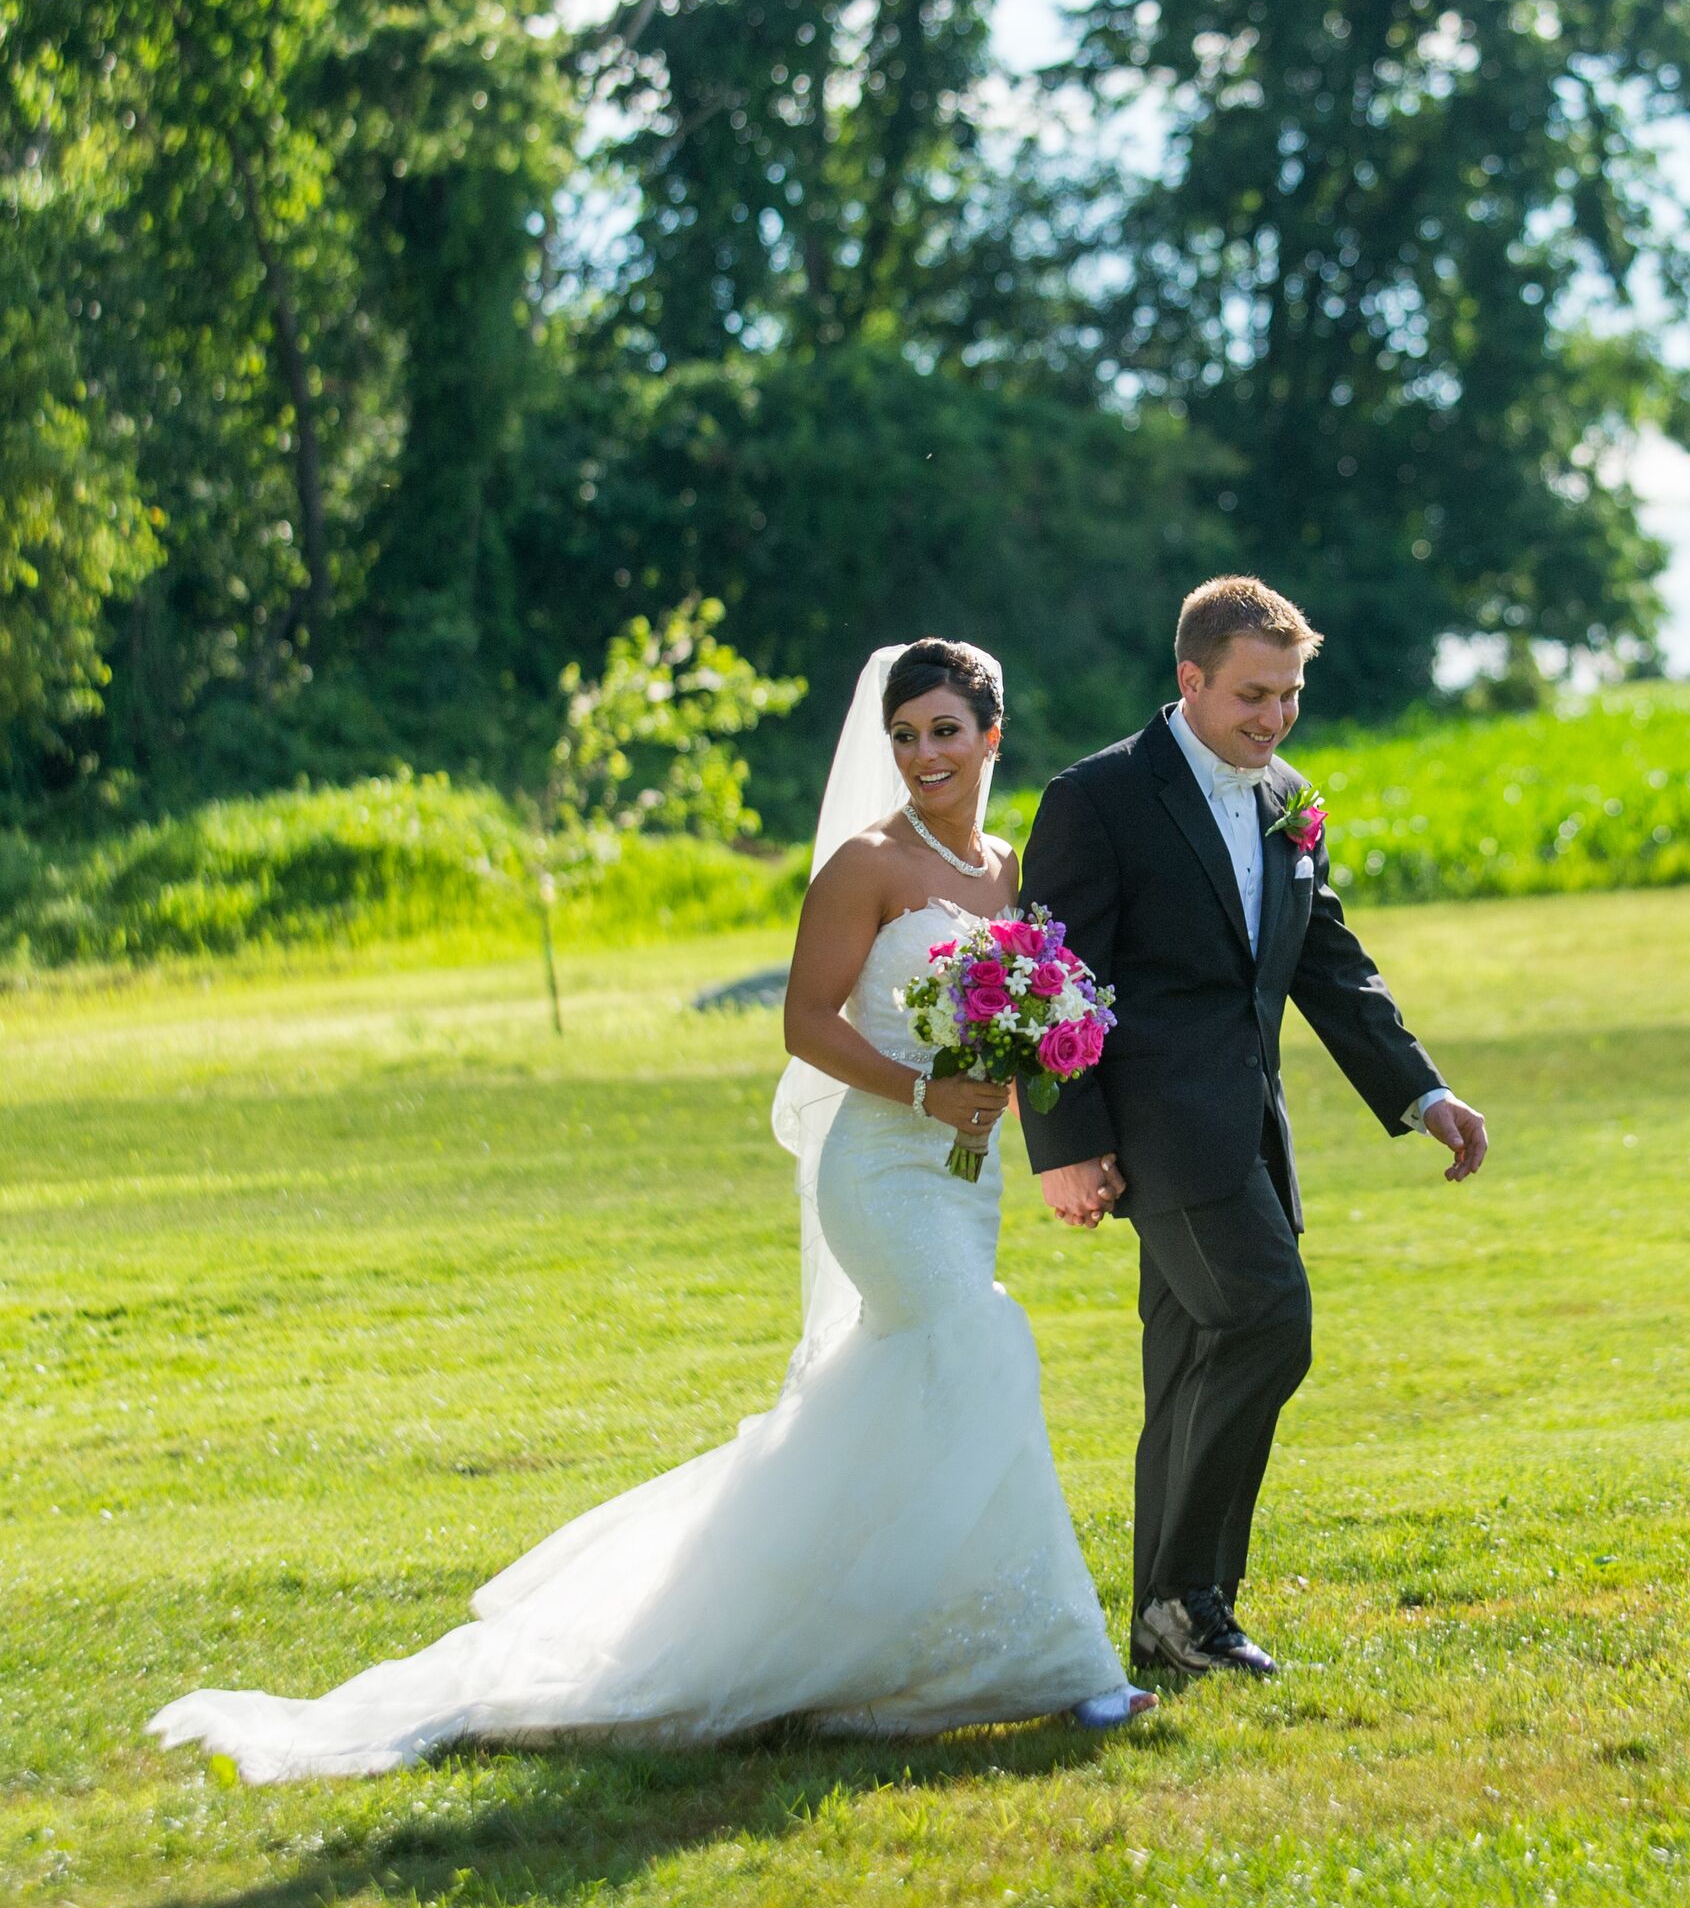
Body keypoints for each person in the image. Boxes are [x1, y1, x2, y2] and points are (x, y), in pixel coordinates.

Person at [146, 640, 1152, 1782]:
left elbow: (1000, 1020)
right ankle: (1063, 1662)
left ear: (992, 739)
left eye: (946, 732)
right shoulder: (865, 867)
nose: (926, 754)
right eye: (907, 734)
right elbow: (808, 1024)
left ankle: (881, 1646)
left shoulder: (1005, 867)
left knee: (912, 1385)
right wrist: (926, 1090)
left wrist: (1016, 1088)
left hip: (962, 1176)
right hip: (879, 1167)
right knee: (979, 1343)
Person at [1019, 577, 1490, 1678]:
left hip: (1251, 1132)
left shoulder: (1288, 794)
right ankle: (1189, 1598)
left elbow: (1329, 963)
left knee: (1190, 1367)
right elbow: (1055, 981)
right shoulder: (1099, 797)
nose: (1272, 718)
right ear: (1190, 681)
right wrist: (1067, 1144)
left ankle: (1174, 1619)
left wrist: (1424, 1092)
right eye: (1250, 696)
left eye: (1288, 695)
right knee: (1272, 1321)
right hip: (1156, 1133)